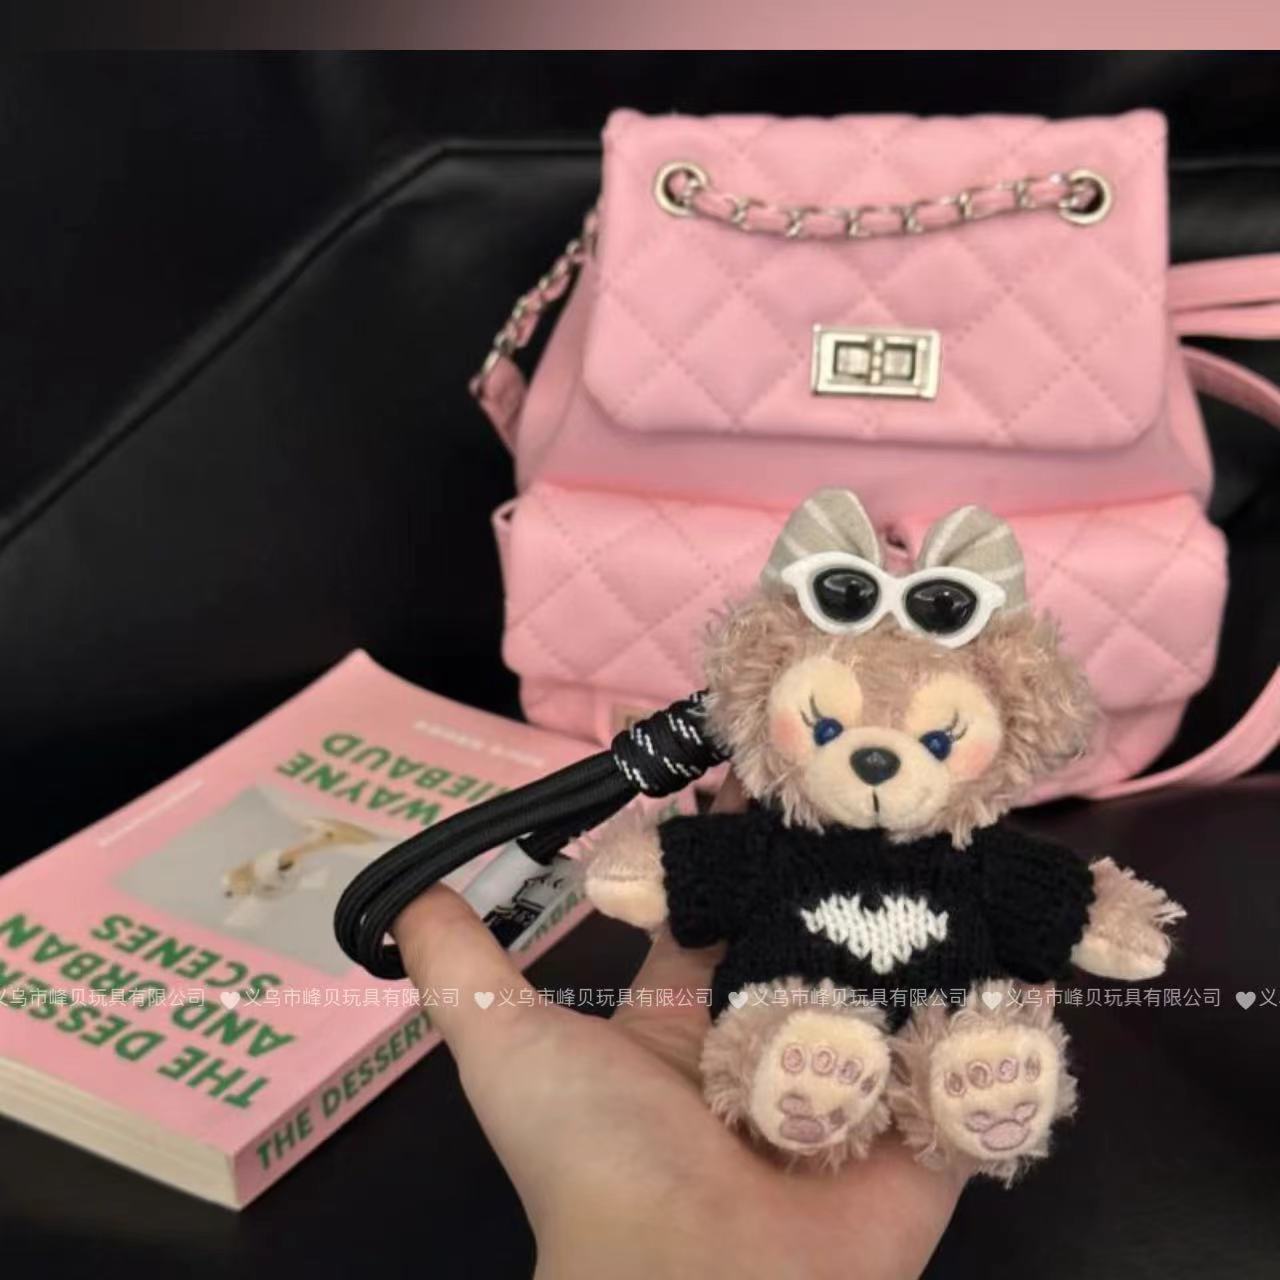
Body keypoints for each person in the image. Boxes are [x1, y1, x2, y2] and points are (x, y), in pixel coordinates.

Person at [393, 778, 963, 1279]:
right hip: (776, 1003)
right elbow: (685, 865)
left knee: (963, 1027)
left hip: (914, 997)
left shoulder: (968, 859)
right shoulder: (769, 837)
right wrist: (649, 870)